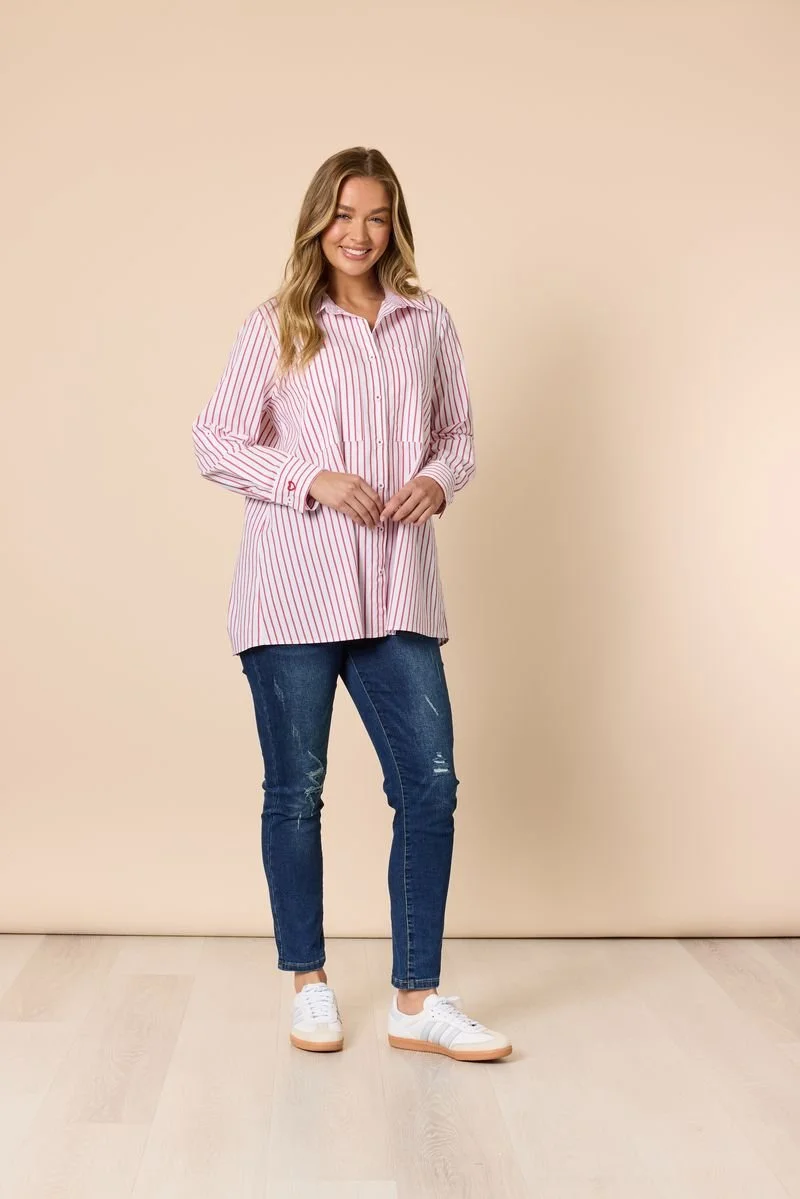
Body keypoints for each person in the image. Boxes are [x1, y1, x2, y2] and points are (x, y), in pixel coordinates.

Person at [191, 146, 511, 1062]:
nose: (358, 233)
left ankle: (416, 1001)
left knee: (431, 787)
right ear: (316, 221)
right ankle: (309, 984)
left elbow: (456, 434)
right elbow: (215, 441)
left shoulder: (427, 321)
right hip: (294, 592)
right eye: (342, 214)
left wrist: (437, 480)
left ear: (394, 224)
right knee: (296, 792)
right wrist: (311, 479)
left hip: (398, 588)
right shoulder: (279, 323)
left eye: (375, 216)